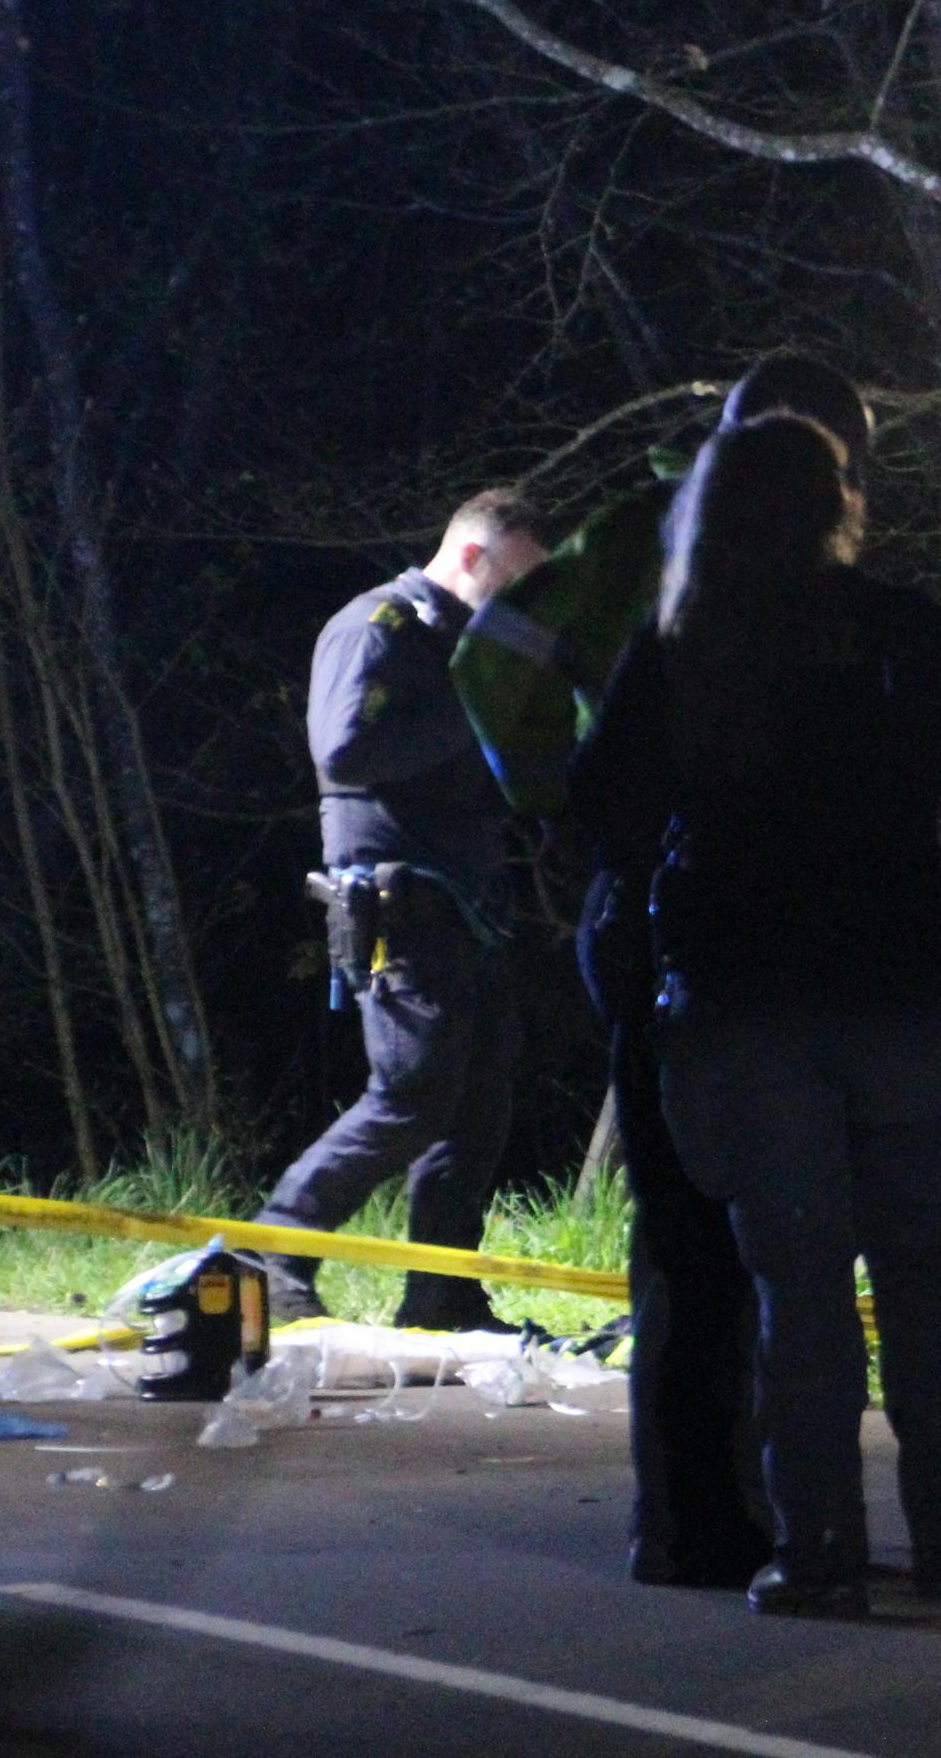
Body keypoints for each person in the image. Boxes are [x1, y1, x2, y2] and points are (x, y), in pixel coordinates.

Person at [576, 415, 941, 1617]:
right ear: (836, 506)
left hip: (743, 1008)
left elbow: (599, 811)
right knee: (929, 1280)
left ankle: (821, 1551)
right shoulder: (899, 628)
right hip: (902, 992)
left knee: (797, 1295)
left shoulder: (680, 647)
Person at [452, 355, 874, 1590]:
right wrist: (559, 800)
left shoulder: (643, 536)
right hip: (705, 915)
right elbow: (495, 663)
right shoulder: (694, 542)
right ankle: (718, 1514)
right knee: (731, 1226)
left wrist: (564, 807)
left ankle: (701, 1514)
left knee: (693, 1229)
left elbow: (503, 671)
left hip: (653, 904)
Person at [261, 488, 552, 1332]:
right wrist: (477, 698)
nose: (521, 606)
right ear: (471, 556)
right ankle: (276, 1248)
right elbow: (344, 747)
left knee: (481, 1105)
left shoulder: (461, 648)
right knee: (412, 1094)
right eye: (517, 582)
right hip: (398, 899)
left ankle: (440, 1292)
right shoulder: (376, 627)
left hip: (472, 905)